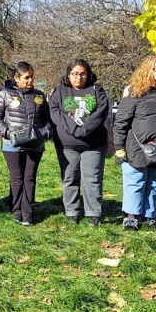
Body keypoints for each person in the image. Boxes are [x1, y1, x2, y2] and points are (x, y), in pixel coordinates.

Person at [113, 56, 156, 231]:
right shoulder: (135, 93)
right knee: (135, 182)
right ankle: (131, 217)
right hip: (137, 147)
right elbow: (120, 122)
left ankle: (150, 215)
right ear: (146, 70)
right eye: (155, 69)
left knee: (155, 183)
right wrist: (119, 147)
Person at [49, 58, 109, 226]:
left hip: (93, 144)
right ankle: (72, 211)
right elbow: (55, 112)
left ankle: (93, 213)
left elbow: (101, 112)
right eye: (74, 74)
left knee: (92, 178)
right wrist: (74, 130)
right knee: (69, 177)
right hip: (67, 145)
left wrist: (85, 130)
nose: (78, 78)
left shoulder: (96, 89)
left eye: (82, 74)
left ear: (88, 74)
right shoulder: (60, 90)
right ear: (68, 75)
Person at [0, 62, 51, 226]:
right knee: (17, 178)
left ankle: (28, 213)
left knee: (30, 178)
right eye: (26, 78)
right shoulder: (5, 94)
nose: (30, 81)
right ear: (16, 78)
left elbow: (48, 120)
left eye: (32, 77)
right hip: (12, 145)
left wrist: (42, 133)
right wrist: (7, 134)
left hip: (35, 144)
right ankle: (16, 210)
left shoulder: (39, 95)